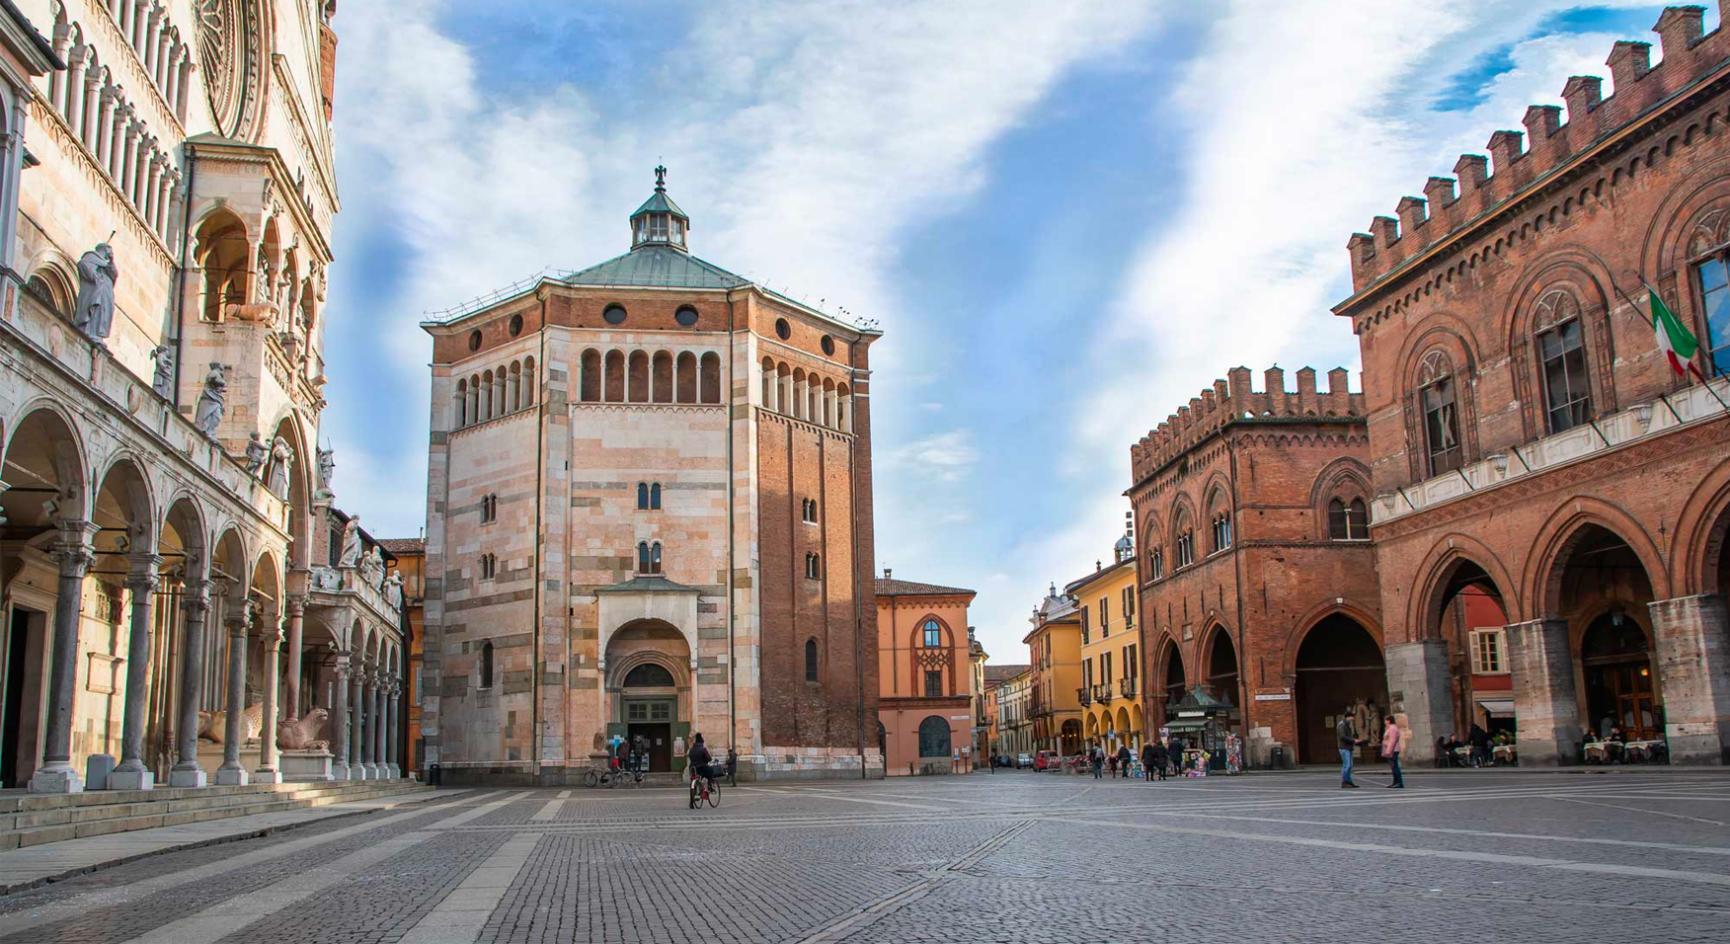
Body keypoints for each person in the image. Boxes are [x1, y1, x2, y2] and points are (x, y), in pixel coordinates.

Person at [1337, 710, 1360, 788]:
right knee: (1347, 765)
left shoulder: (1346, 724)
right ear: (1348, 717)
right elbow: (1342, 736)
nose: (1353, 718)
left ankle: (1349, 781)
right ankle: (1345, 782)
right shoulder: (1342, 725)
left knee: (1349, 765)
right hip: (1344, 747)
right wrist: (1353, 740)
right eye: (1352, 717)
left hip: (1347, 747)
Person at [1381, 715, 1405, 789]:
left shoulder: (1392, 728)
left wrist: (1388, 751)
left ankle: (1399, 782)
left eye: (1385, 720)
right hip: (1392, 749)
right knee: (1393, 767)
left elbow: (1392, 740)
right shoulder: (1390, 728)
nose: (1384, 722)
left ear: (1389, 721)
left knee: (1395, 767)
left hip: (1393, 750)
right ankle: (1395, 782)